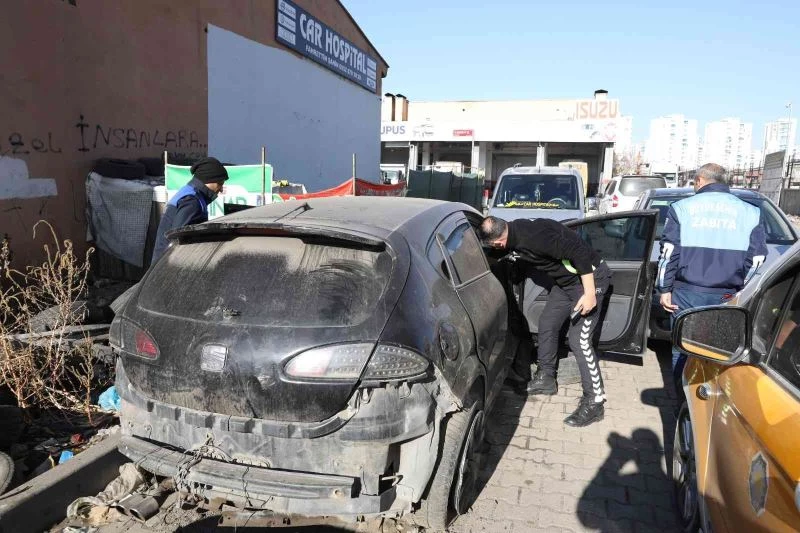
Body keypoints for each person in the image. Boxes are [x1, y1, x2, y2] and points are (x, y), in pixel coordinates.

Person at [479, 216, 612, 427]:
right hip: (566, 283)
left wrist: (589, 294)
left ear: (498, 242)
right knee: (547, 323)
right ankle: (546, 378)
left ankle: (595, 402)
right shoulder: (513, 232)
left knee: (580, 341)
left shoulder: (534, 237)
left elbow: (578, 252)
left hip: (590, 280)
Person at [658, 163, 767, 392]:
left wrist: (664, 289)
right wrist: (740, 291)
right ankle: (711, 395)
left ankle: (682, 399)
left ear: (699, 180)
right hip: (727, 295)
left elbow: (669, 253)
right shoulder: (751, 212)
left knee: (683, 347)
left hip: (686, 293)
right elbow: (756, 260)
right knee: (719, 349)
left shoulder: (682, 208)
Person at [151, 157, 229, 263]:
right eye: (219, 184)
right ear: (208, 180)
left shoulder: (191, 194)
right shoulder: (192, 201)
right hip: (169, 265)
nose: (220, 189)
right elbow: (177, 238)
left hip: (165, 262)